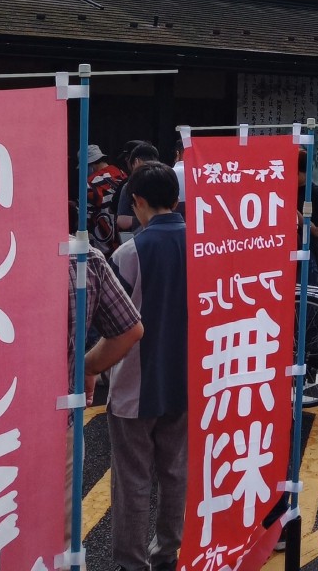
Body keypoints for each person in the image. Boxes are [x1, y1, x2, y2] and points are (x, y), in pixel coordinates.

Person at [107, 162, 187, 571]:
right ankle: (167, 554)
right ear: (175, 199)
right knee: (175, 471)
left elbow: (112, 325)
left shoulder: (128, 252)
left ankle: (131, 562)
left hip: (136, 383)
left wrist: (90, 366)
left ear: (137, 201)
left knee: (133, 479)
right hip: (186, 380)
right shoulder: (201, 245)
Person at [65, 217, 144, 564]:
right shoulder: (80, 257)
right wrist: (88, 367)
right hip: (59, 412)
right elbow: (128, 329)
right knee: (61, 528)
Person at [84, 144, 127, 256]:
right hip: (125, 239)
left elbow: (85, 218)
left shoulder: (90, 183)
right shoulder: (122, 174)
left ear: (91, 165)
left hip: (104, 244)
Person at [115, 142, 160, 244]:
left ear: (136, 161)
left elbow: (122, 221)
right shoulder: (168, 179)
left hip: (140, 240)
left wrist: (145, 218)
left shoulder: (130, 185)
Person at [297, 148, 318, 282]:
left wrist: (296, 214)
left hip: (308, 253)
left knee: (306, 297)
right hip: (287, 250)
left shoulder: (315, 192)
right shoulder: (285, 190)